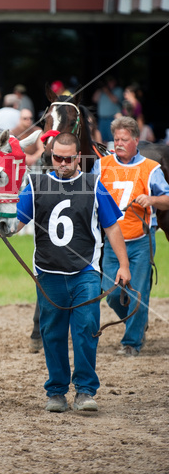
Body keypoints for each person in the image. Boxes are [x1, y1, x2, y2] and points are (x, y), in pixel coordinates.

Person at [15, 132, 131, 412]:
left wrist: (124, 265)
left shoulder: (93, 185)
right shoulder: (36, 184)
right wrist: (0, 224)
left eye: (69, 158)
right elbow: (16, 223)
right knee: (52, 334)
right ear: (51, 156)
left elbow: (112, 227)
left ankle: (85, 391)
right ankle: (56, 391)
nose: (63, 163)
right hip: (47, 273)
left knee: (86, 330)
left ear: (78, 157)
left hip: (85, 273)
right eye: (58, 158)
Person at [92, 116, 169, 357]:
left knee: (138, 292)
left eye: (125, 139)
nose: (119, 143)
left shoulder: (151, 168)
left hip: (141, 241)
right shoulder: (101, 166)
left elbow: (167, 199)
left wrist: (152, 200)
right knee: (111, 291)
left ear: (137, 140)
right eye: (116, 139)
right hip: (113, 243)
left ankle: (132, 342)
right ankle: (136, 322)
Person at [92, 75, 123, 144]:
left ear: (114, 82)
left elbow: (115, 100)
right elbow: (94, 99)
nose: (109, 83)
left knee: (112, 140)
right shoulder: (101, 91)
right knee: (102, 140)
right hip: (102, 119)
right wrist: (100, 89)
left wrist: (107, 91)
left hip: (112, 118)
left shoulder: (118, 90)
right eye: (108, 82)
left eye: (111, 81)